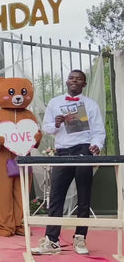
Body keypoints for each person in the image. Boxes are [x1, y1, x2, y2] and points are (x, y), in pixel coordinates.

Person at [31, 69, 106, 255]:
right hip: (62, 152)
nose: (75, 81)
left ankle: (80, 238)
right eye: (72, 78)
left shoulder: (91, 105)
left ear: (84, 84)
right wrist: (56, 124)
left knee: (84, 196)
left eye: (79, 79)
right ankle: (51, 240)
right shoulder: (55, 103)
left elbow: (99, 131)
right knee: (56, 196)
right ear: (67, 81)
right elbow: (46, 128)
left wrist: (96, 145)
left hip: (83, 150)